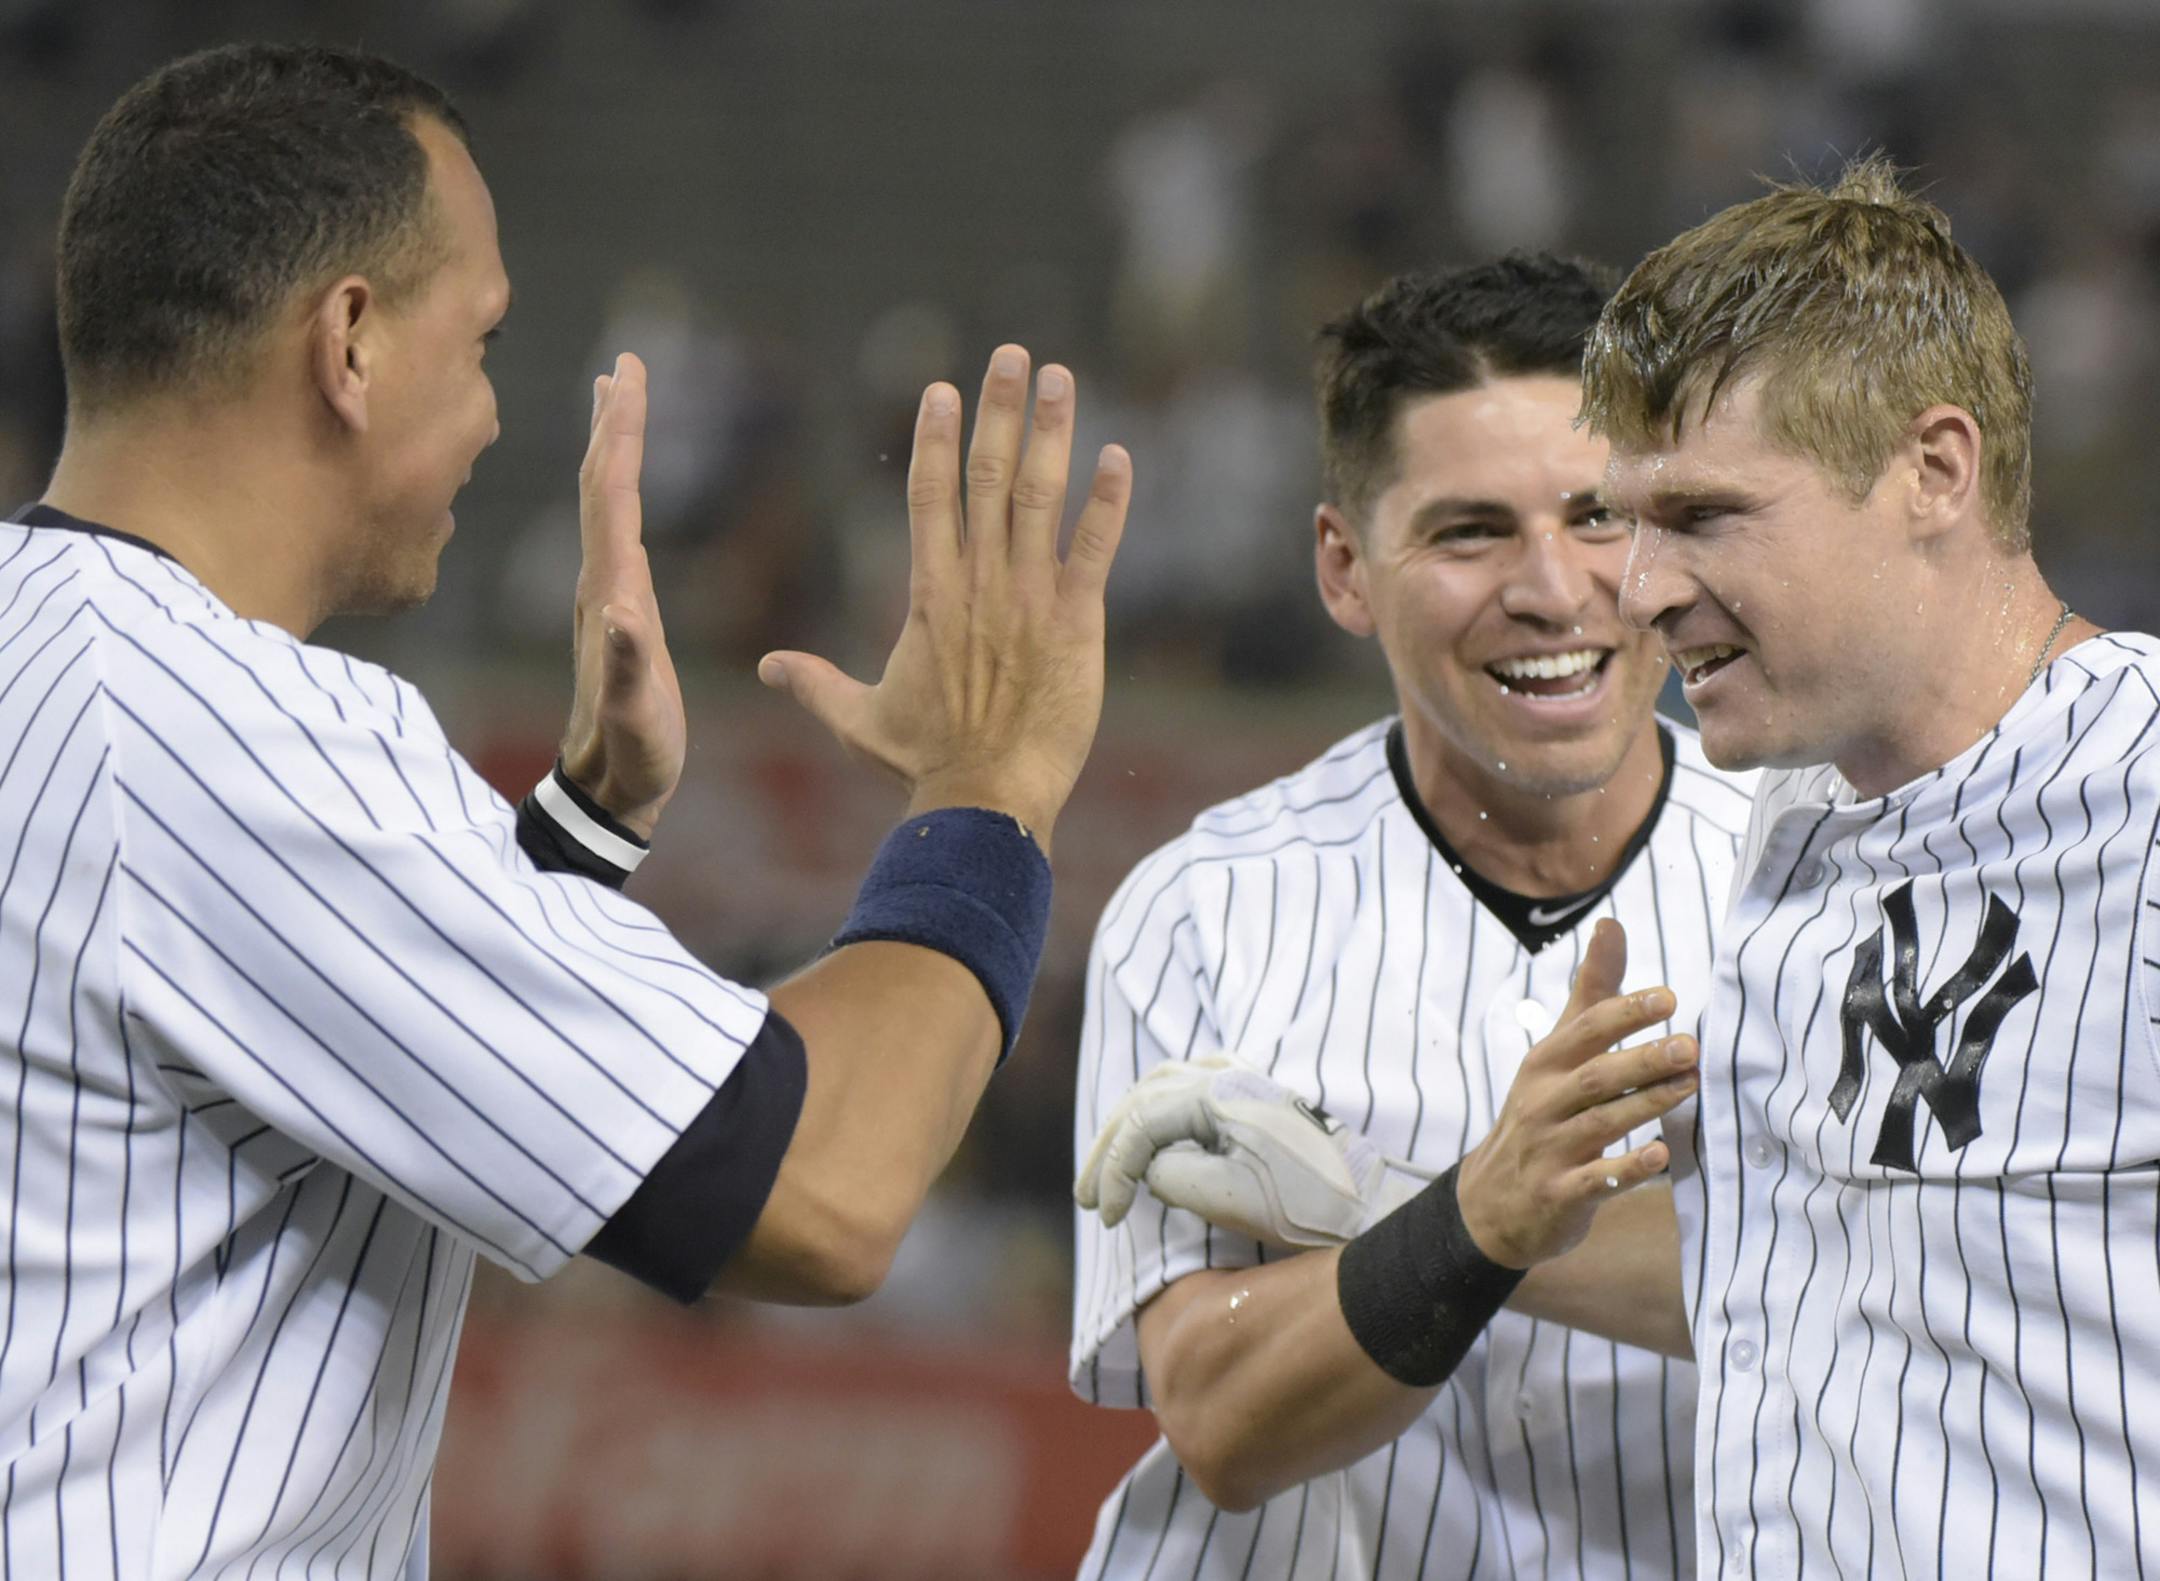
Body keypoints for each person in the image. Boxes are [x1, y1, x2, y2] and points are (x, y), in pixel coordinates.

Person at [0, 43, 1131, 1575]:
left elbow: (271, 1054)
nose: (485, 412)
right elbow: (825, 1183)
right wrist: (986, 794)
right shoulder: (229, 729)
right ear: (349, 342)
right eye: (477, 340)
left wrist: (574, 840)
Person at [1067, 255, 1757, 1581]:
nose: (1556, 590)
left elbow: (1877, 1278)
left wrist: (1398, 1209)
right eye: (1470, 531)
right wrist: (1479, 1219)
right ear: (1345, 566)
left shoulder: (1816, 886)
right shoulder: (1206, 909)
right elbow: (1221, 1419)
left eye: (1599, 515)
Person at [1578, 153, 2153, 1577]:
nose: (1641, 588)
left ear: (1933, 470)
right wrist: (1383, 1207)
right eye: (1626, 519)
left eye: (1704, 514)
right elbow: (1801, 1267)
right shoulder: (1787, 807)